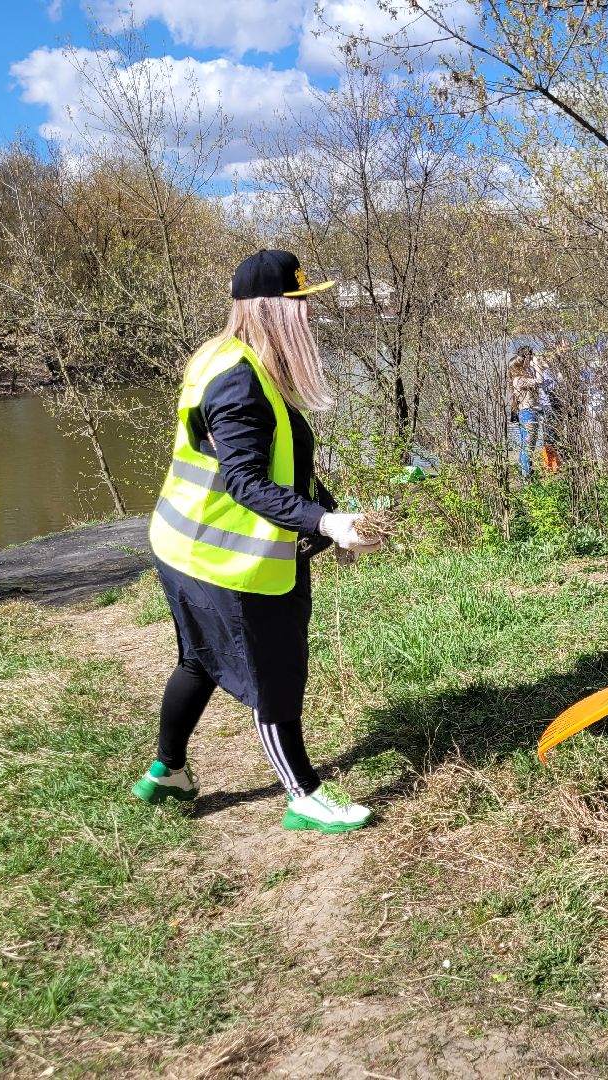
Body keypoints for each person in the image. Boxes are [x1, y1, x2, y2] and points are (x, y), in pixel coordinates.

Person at [134, 249, 383, 834]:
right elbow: (245, 482)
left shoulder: (227, 356)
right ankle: (304, 795)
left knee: (198, 658)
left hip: (180, 544)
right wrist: (324, 524)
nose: (310, 317)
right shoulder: (241, 382)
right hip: (227, 561)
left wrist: (331, 514)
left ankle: (167, 770)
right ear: (273, 312)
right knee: (275, 672)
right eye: (300, 305)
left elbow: (280, 464)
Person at [508, 346, 545, 478]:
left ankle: (525, 472)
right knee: (528, 447)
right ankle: (526, 476)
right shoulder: (520, 380)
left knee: (526, 446)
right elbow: (540, 381)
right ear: (519, 367)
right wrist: (536, 365)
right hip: (528, 414)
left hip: (526, 414)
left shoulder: (518, 379)